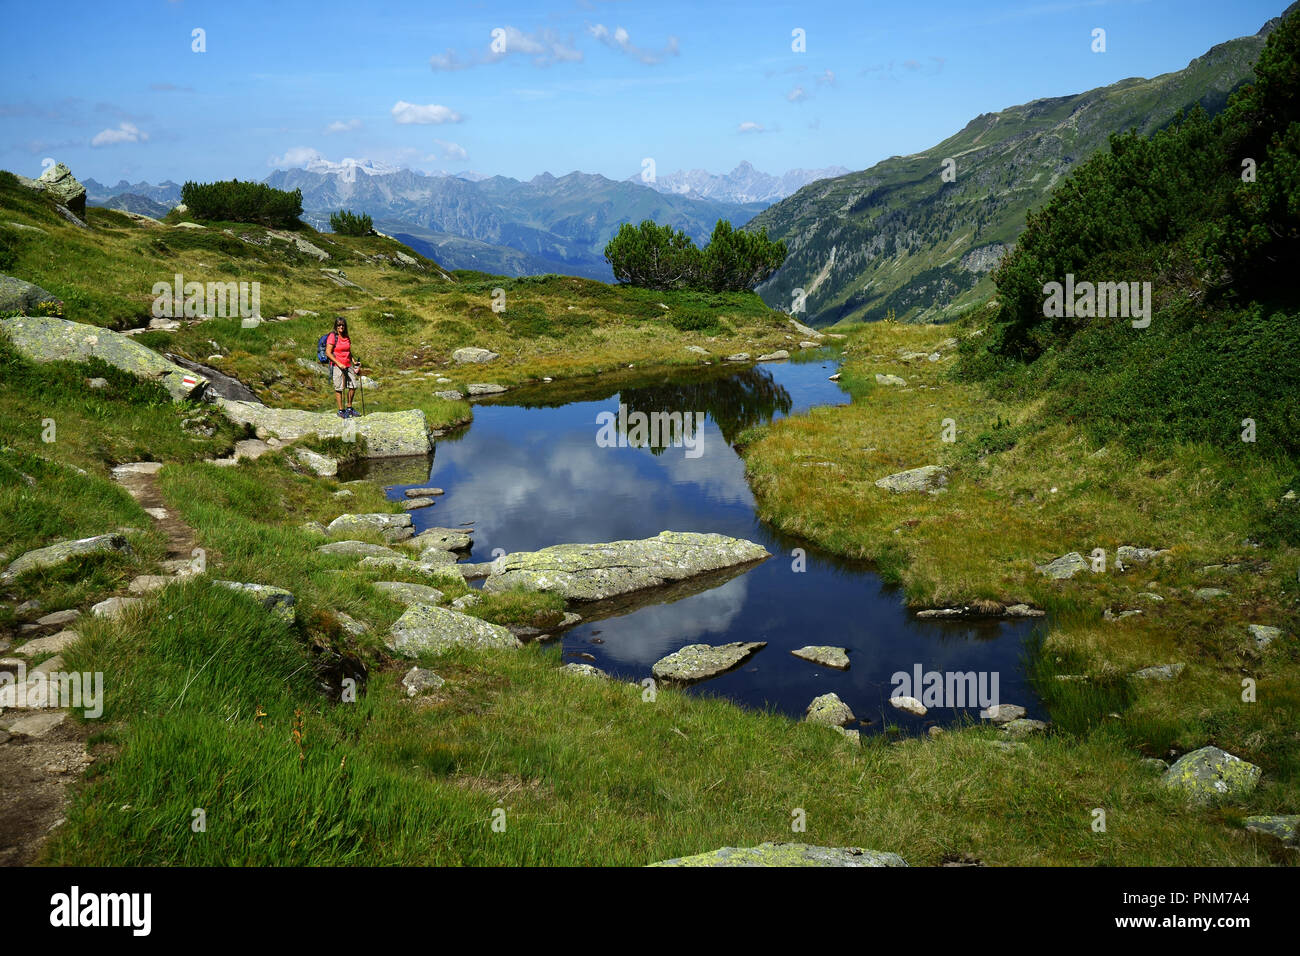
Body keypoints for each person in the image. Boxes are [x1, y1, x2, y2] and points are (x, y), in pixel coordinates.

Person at [325, 317, 361, 418]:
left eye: (343, 325)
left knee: (353, 385)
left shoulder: (346, 337)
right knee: (339, 388)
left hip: (348, 364)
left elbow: (348, 351)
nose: (341, 327)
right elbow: (328, 353)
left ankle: (349, 408)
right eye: (339, 325)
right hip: (337, 365)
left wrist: (354, 361)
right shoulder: (333, 336)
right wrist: (339, 363)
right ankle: (341, 410)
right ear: (336, 326)